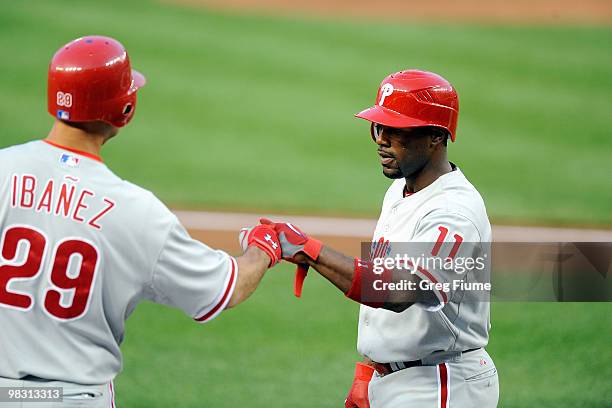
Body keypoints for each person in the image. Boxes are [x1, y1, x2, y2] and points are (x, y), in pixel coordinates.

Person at [0, 35, 282, 407]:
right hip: (73, 398)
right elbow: (225, 289)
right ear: (125, 109)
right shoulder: (137, 212)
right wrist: (263, 249)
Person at [263, 70, 499, 407]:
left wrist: (311, 251)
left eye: (395, 130)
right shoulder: (399, 192)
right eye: (378, 127)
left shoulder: (453, 212)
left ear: (435, 136)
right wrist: (369, 373)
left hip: (441, 385)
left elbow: (400, 291)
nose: (381, 139)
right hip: (401, 380)